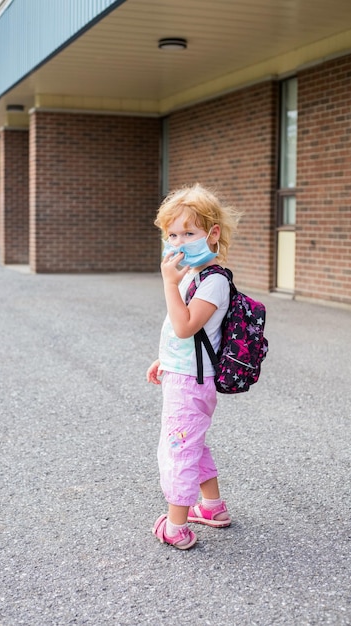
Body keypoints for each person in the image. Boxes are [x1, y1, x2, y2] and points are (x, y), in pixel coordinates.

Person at [146, 182, 241, 550]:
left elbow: (187, 324)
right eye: (172, 234)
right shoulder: (193, 275)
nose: (180, 242)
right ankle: (212, 508)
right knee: (192, 443)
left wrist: (169, 283)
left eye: (189, 232)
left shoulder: (213, 281)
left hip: (191, 383)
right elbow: (182, 334)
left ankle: (176, 526)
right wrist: (164, 360)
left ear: (212, 233)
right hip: (184, 372)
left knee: (177, 449)